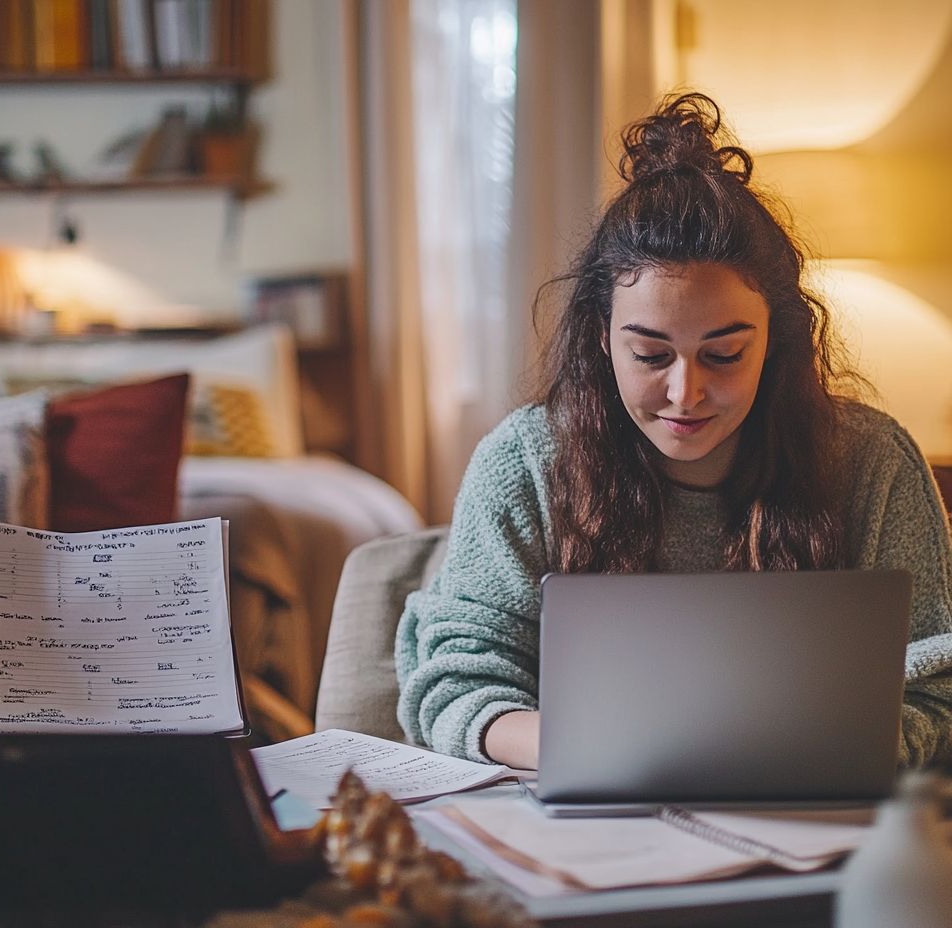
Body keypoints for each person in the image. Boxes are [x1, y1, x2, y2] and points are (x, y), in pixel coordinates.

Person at [394, 92, 952, 771]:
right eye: (651, 355)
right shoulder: (525, 462)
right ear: (601, 337)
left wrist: (806, 753)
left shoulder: (871, 461)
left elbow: (935, 680)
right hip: (581, 818)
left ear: (775, 340)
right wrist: (595, 749)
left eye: (724, 354)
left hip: (819, 818)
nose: (685, 393)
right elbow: (455, 684)